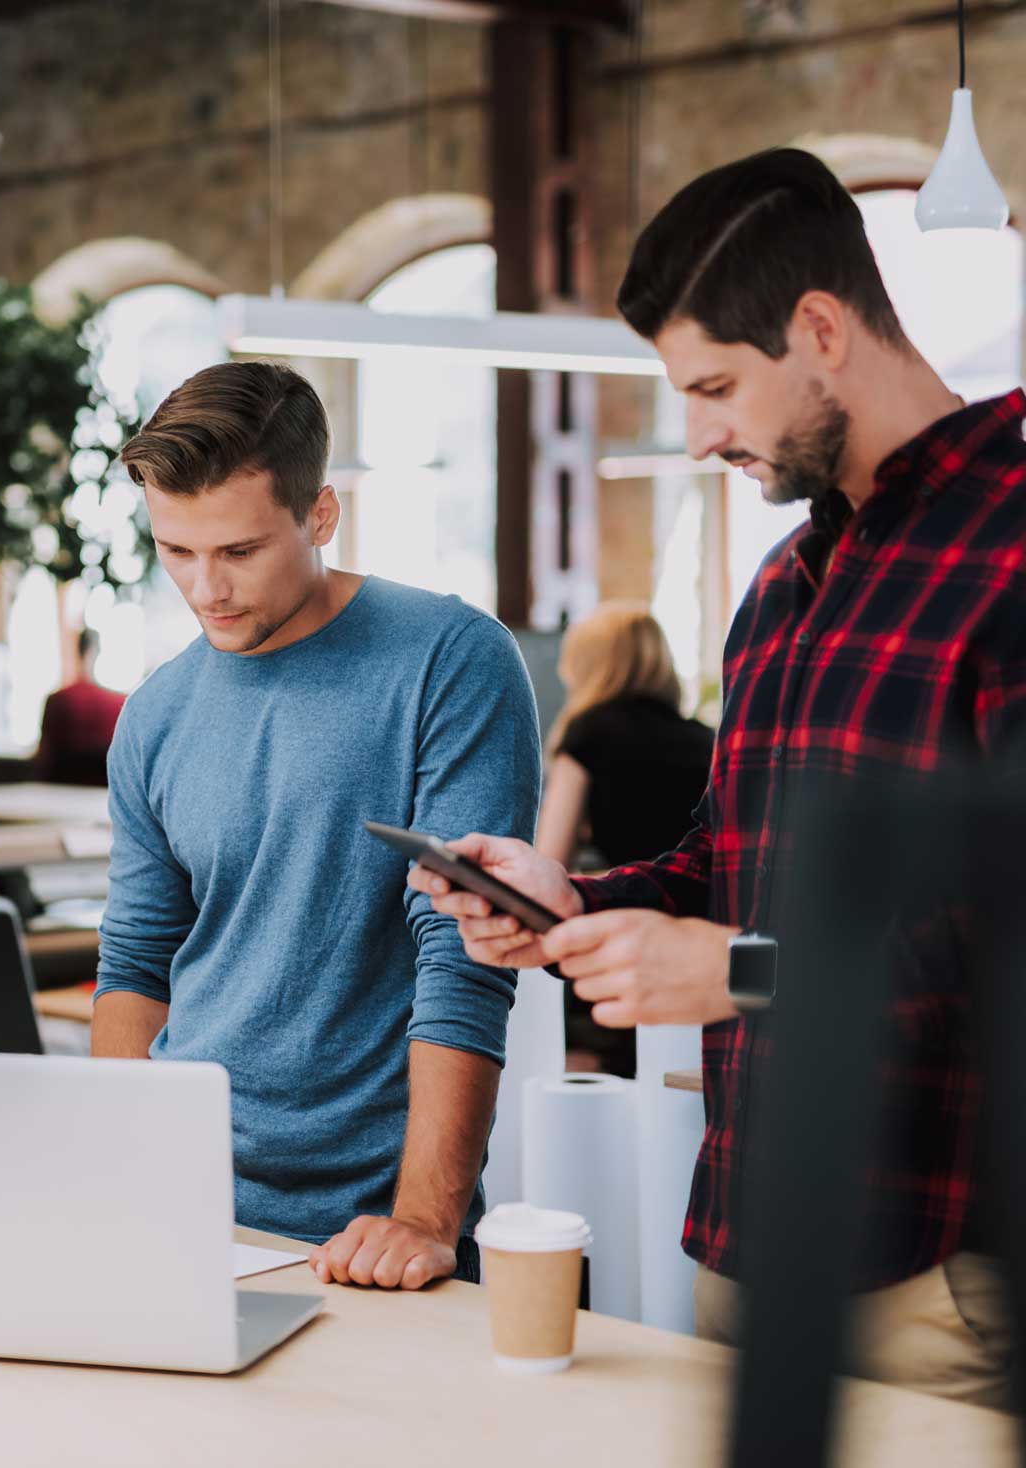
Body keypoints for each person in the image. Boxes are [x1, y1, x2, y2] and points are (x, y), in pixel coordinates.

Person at [411, 148, 1025, 1405]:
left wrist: (735, 972)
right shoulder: (783, 587)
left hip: (944, 1267)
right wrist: (569, 899)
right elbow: (721, 860)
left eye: (715, 388)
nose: (697, 437)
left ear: (820, 329)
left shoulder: (1013, 546)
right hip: (750, 1233)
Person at [92, 360, 540, 1291]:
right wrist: (123, 1180)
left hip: (373, 1230)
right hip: (191, 1214)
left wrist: (426, 1217)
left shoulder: (450, 660)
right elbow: (138, 959)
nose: (205, 588)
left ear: (320, 517)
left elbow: (460, 956)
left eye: (240, 552)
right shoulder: (156, 714)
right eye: (176, 551)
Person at [536, 604, 714, 1075]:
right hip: (703, 954)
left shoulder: (587, 734)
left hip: (617, 955)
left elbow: (551, 861)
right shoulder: (707, 739)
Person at [33, 629, 126, 786]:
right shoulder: (120, 704)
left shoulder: (57, 701)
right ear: (96, 653)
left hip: (57, 794)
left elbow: (43, 759)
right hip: (102, 796)